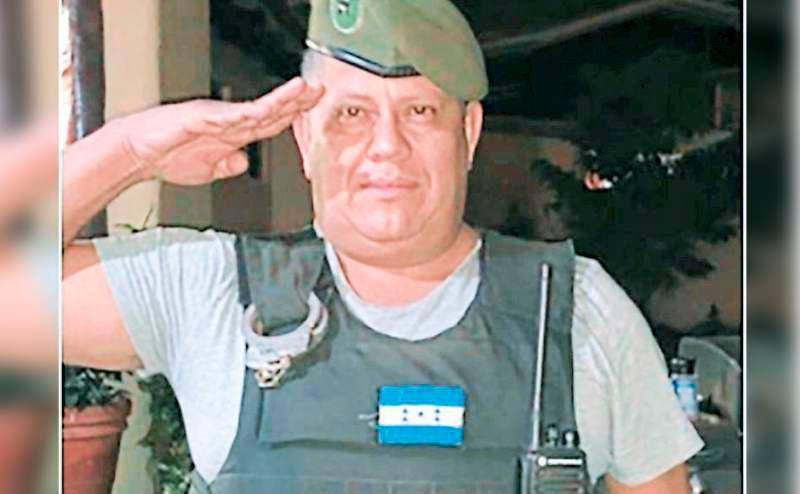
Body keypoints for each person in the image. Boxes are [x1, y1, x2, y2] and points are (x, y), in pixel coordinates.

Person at [63, 1, 703, 492]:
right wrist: (127, 151)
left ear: (468, 131)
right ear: (305, 137)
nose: (387, 147)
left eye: (420, 112)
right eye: (352, 114)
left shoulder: (579, 313)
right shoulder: (213, 293)